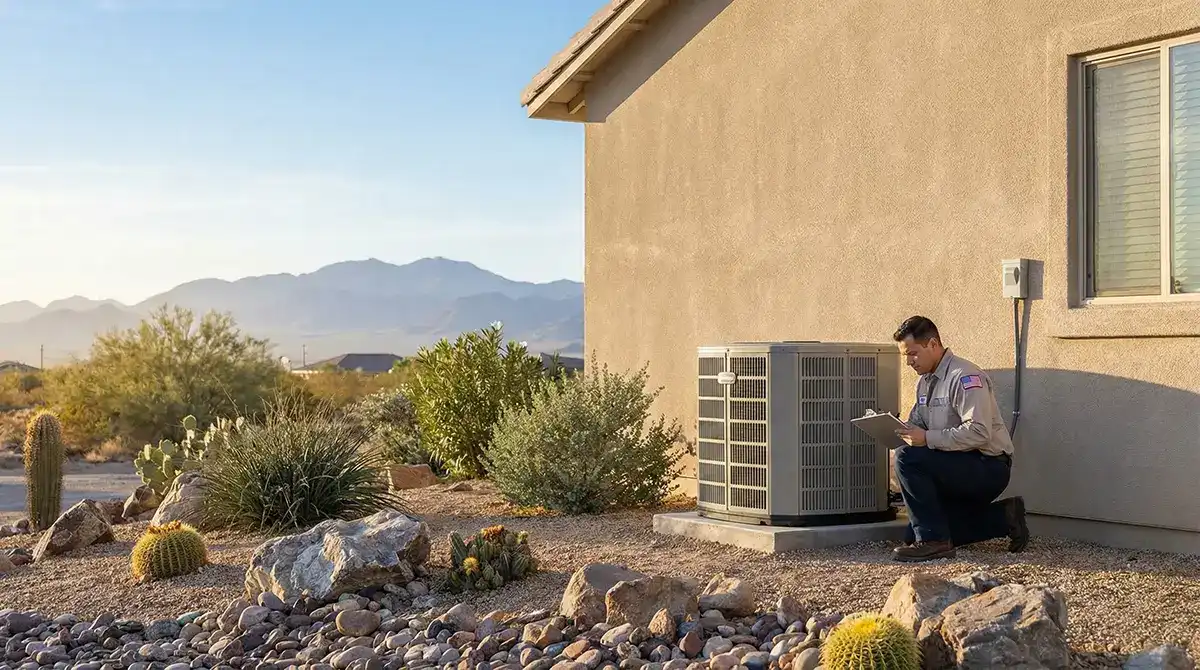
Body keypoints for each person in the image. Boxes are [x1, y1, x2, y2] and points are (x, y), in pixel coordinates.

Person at [888, 315, 1028, 562]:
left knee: (907, 460)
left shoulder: (964, 377)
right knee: (914, 532)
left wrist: (926, 439)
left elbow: (979, 432)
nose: (909, 362)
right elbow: (919, 425)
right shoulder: (924, 383)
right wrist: (901, 429)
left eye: (913, 354)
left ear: (933, 344)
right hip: (954, 464)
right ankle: (1005, 517)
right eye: (905, 356)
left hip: (987, 466)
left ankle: (935, 542)